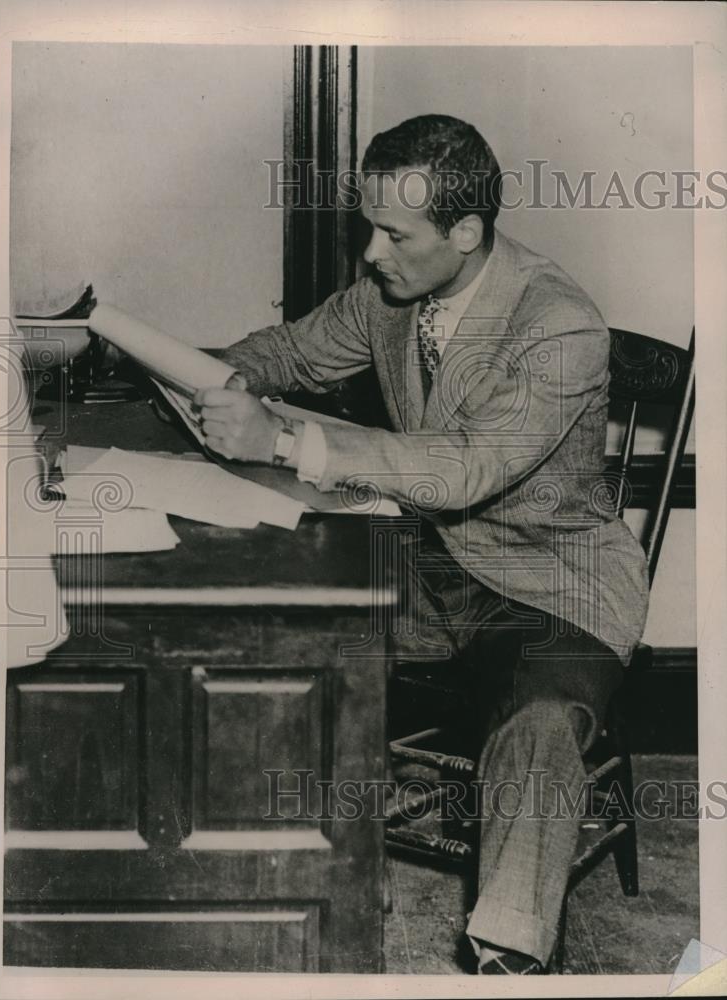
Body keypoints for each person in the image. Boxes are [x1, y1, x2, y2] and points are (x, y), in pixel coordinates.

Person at [195, 114, 649, 974]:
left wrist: (288, 443)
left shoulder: (560, 325)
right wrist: (213, 381)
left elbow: (469, 468)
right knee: (284, 617)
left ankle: (507, 953)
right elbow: (288, 350)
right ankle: (270, 879)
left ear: (466, 232)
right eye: (371, 226)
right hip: (437, 558)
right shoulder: (391, 296)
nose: (371, 252)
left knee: (540, 725)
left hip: (554, 583)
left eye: (393, 232)